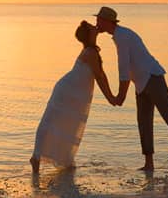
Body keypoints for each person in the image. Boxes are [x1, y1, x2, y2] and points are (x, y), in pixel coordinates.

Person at [95, 6, 168, 174]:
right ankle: (149, 163)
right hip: (140, 82)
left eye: (99, 20)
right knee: (143, 121)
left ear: (107, 21)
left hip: (152, 77)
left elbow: (123, 67)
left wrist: (120, 96)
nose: (96, 23)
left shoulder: (122, 36)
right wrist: (122, 93)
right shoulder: (118, 36)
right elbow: (128, 68)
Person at [30, 20, 117, 173]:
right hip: (68, 91)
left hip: (75, 92)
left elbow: (102, 75)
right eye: (92, 27)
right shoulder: (90, 52)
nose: (95, 27)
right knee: (50, 122)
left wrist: (112, 95)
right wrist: (111, 97)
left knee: (70, 124)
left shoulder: (92, 51)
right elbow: (99, 77)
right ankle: (36, 157)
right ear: (89, 34)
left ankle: (64, 158)